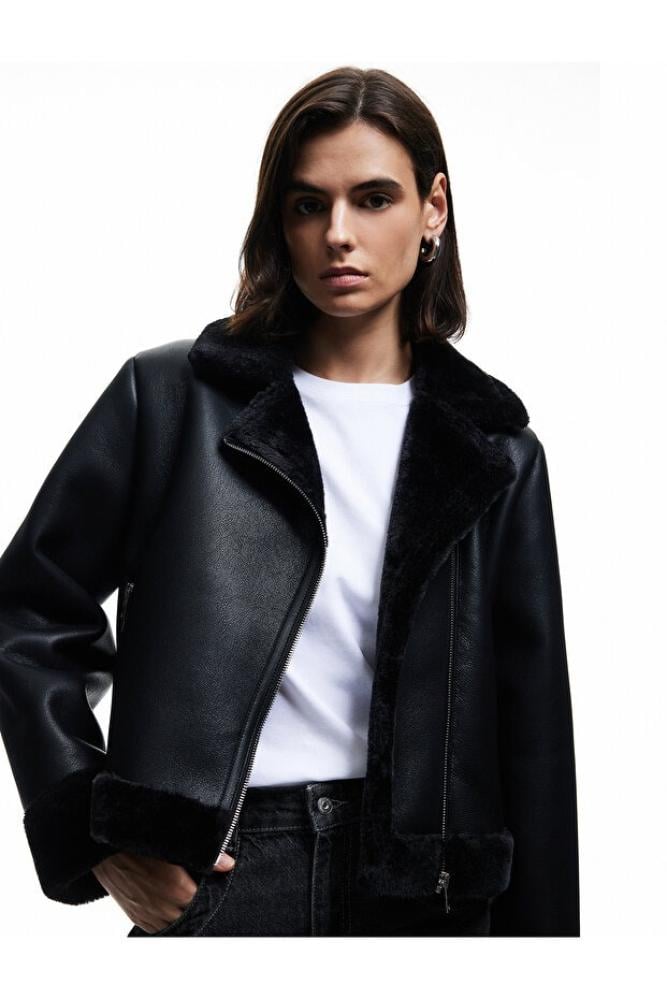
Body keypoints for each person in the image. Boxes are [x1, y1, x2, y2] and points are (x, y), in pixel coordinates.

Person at [0, 65, 579, 937]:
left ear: (433, 209)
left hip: (427, 894)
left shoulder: (495, 452)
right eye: (308, 205)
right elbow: (26, 612)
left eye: (373, 199)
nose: (337, 235)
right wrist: (97, 834)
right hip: (227, 874)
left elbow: (532, 739)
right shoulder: (172, 401)